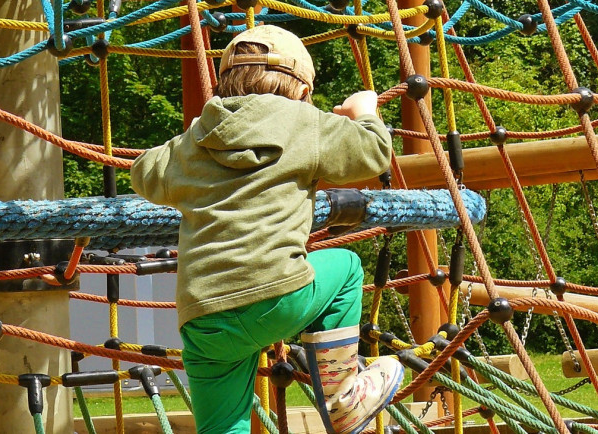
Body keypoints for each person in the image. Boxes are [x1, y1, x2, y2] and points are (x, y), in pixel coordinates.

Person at [131, 24, 404, 434]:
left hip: (203, 318)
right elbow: (375, 153)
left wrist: (189, 138)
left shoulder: (196, 138)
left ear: (223, 84)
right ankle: (342, 395)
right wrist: (364, 113)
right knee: (347, 267)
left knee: (222, 427)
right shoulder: (305, 122)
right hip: (278, 295)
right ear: (301, 89)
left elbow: (143, 173)